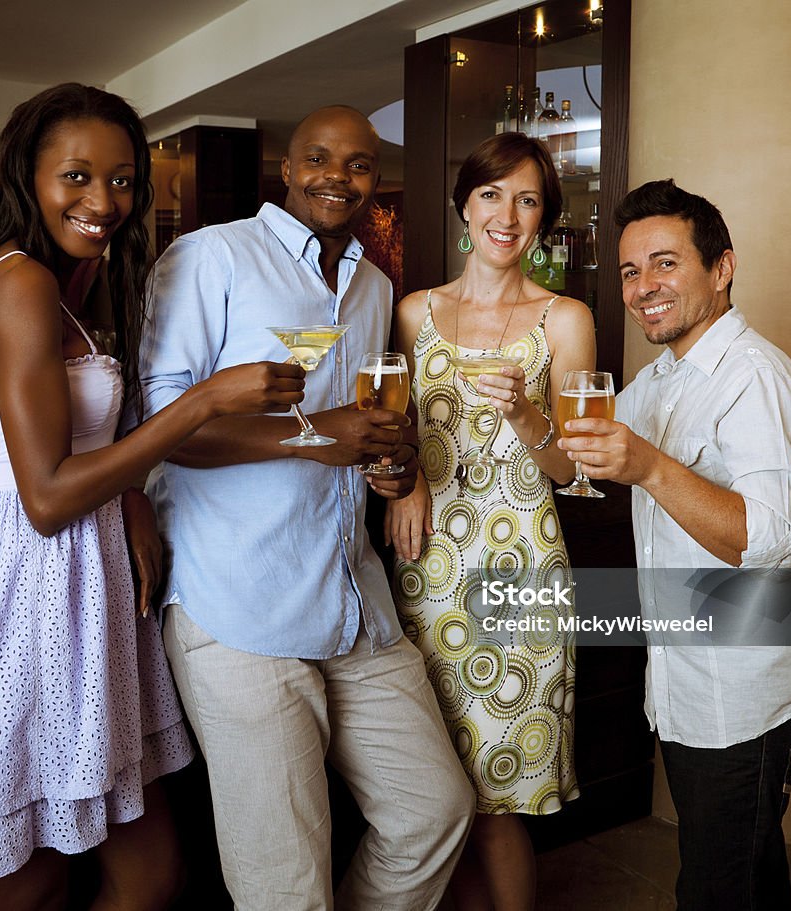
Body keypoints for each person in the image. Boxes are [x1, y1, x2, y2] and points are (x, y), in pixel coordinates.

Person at [0, 83, 305, 910]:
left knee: (150, 871)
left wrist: (131, 504)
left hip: (88, 602)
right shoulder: (16, 280)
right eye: (78, 177)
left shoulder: (66, 290)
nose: (104, 202)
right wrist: (206, 398)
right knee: (32, 885)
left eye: (123, 180)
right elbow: (46, 498)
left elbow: (89, 447)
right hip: (31, 598)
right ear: (29, 175)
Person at [135, 105, 475, 910]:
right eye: (319, 158)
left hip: (352, 597)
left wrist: (389, 466)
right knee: (284, 881)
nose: (338, 176)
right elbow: (159, 432)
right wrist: (320, 432)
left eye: (359, 164)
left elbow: (356, 424)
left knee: (434, 810)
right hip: (238, 603)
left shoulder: (373, 283)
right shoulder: (210, 256)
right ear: (286, 169)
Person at [560, 179, 791, 911]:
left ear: (722, 267)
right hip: (690, 690)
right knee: (747, 877)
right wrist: (526, 415)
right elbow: (577, 457)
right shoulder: (663, 378)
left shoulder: (756, 379)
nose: (645, 287)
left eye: (666, 263)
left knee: (716, 890)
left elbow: (771, 536)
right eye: (631, 270)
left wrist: (648, 466)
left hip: (746, 698)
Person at [386, 132, 596, 910]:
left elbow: (576, 468)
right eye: (491, 194)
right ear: (464, 206)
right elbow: (392, 429)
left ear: (544, 220)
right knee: (440, 785)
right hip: (427, 568)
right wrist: (403, 484)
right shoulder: (414, 313)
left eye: (529, 198)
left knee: (498, 786)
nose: (508, 214)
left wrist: (530, 413)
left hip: (521, 571)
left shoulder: (564, 318)